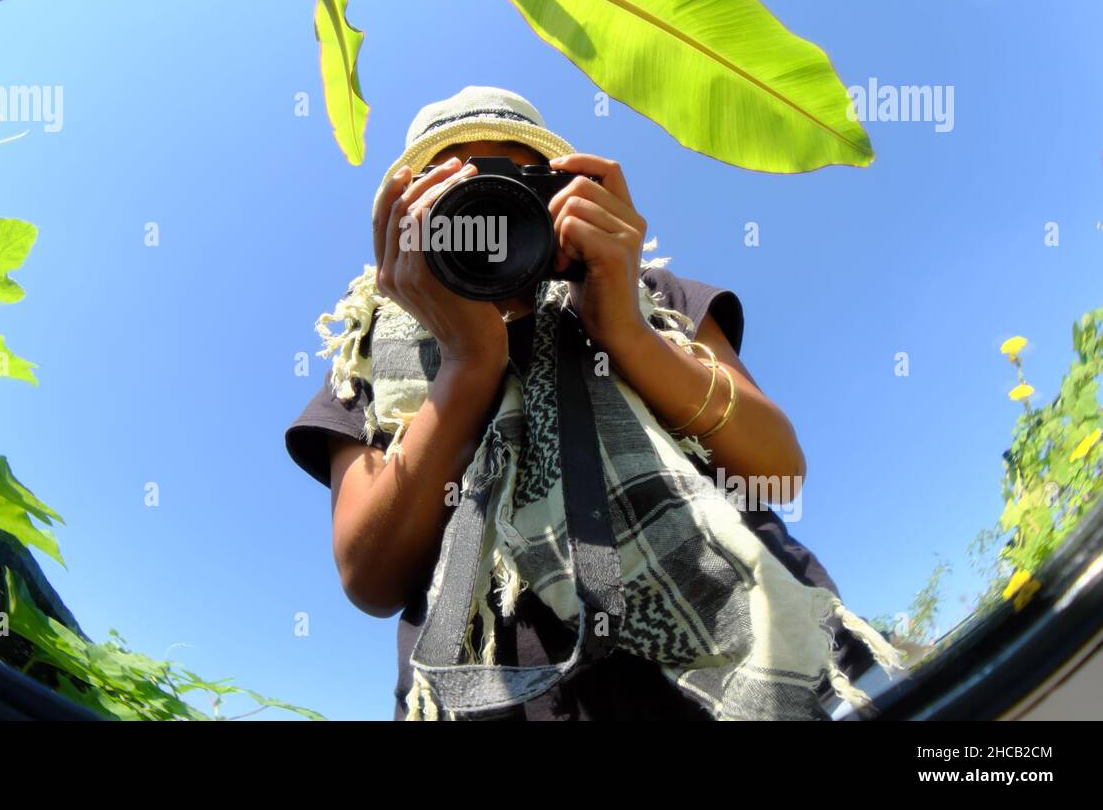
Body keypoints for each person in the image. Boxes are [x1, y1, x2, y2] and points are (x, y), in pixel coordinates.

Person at [285, 87, 876, 720]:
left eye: (517, 180)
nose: (489, 212)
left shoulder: (647, 295)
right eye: (453, 192)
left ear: (567, 192)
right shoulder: (368, 356)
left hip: (758, 666)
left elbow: (778, 471)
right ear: (408, 224)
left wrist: (625, 328)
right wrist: (466, 365)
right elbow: (369, 578)